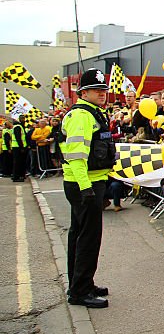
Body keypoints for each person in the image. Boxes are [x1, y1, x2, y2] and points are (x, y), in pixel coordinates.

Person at [61, 69, 117, 308]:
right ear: (83, 93)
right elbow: (76, 155)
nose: (102, 94)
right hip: (85, 184)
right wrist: (86, 188)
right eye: (97, 90)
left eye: (104, 90)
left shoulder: (92, 113)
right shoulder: (82, 116)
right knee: (88, 239)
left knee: (80, 235)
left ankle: (81, 283)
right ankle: (80, 291)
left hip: (89, 182)